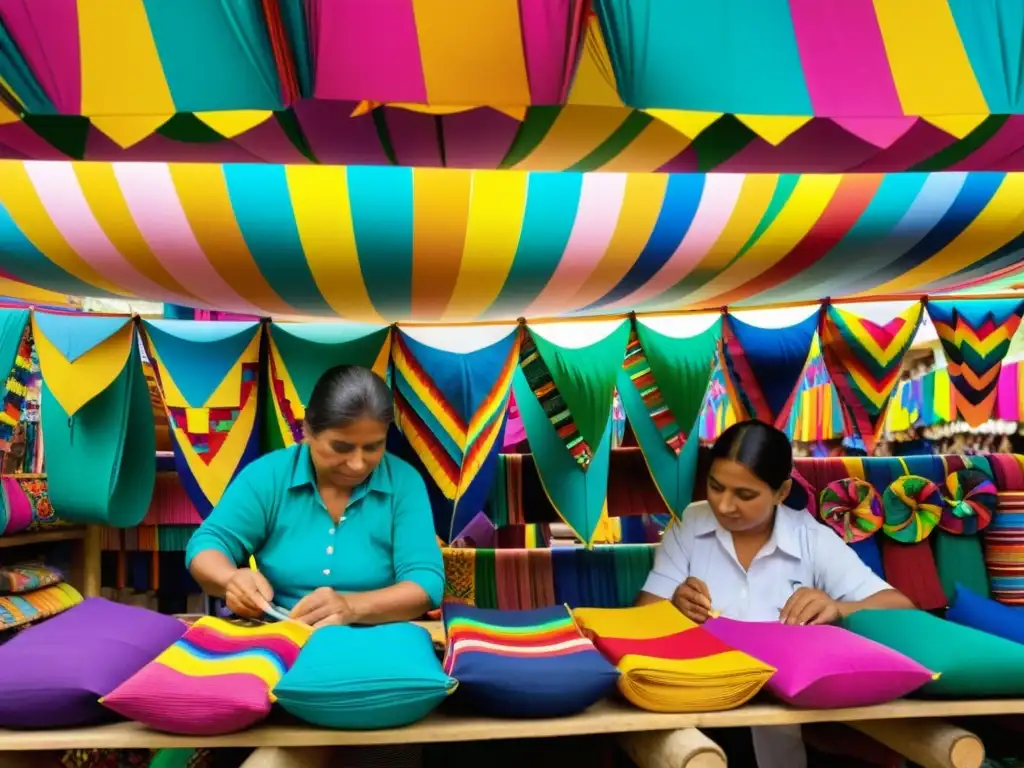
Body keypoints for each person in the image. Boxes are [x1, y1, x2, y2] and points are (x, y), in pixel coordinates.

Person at [638, 419, 913, 768]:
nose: (723, 506)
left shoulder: (810, 539)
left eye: (745, 495)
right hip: (696, 721)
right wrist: (674, 605)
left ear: (782, 493)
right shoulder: (690, 525)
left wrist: (839, 608)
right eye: (715, 486)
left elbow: (900, 608)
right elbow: (644, 612)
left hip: (783, 737)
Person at [186, 365, 444, 627]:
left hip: (380, 638)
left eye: (373, 447)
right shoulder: (269, 476)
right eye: (341, 447)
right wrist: (231, 579)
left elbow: (426, 581)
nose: (357, 463)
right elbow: (208, 544)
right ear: (307, 430)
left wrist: (351, 608)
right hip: (280, 634)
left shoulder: (403, 483)